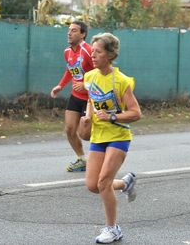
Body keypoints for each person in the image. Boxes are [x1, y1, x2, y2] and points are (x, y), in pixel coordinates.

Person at [81, 33, 141, 243]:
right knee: (92, 185)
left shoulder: (121, 81)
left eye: (98, 52)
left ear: (109, 54)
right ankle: (125, 184)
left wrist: (111, 116)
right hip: (98, 136)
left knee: (104, 182)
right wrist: (87, 117)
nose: (93, 56)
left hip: (118, 136)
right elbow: (91, 100)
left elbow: (135, 113)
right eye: (92, 52)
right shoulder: (90, 78)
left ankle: (112, 229)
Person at [51, 20, 95, 172]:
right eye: (69, 30)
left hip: (91, 98)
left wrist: (86, 85)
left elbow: (101, 74)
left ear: (83, 34)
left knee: (85, 134)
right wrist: (60, 86)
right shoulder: (67, 52)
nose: (69, 33)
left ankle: (102, 156)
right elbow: (71, 70)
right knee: (70, 129)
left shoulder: (89, 51)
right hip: (75, 96)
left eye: (74, 30)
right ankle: (82, 160)